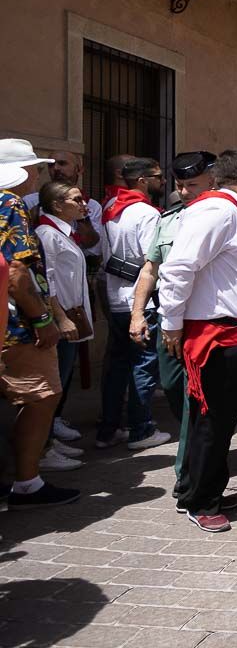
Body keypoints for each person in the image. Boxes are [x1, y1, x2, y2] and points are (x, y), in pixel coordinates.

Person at [159, 149, 237, 533]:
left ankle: (201, 489)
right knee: (212, 422)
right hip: (217, 337)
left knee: (219, 422)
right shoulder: (217, 212)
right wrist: (171, 324)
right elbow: (178, 269)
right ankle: (201, 501)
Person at [129, 152, 216, 493]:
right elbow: (150, 269)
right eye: (180, 185)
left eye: (191, 184)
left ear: (211, 181)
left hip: (204, 322)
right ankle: (200, 442)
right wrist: (137, 313)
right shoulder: (168, 220)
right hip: (169, 319)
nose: (183, 191)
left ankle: (186, 472)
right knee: (171, 384)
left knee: (193, 395)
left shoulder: (223, 217)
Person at [0, 146, 79, 510]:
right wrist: (43, 319)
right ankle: (27, 482)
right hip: (16, 325)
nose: (37, 176)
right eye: (33, 168)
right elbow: (17, 270)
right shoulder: (10, 204)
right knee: (43, 395)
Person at [99, 157, 169, 451]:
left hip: (115, 298)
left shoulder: (110, 207)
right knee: (143, 365)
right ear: (142, 180)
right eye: (158, 176)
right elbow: (151, 260)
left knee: (116, 366)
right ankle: (140, 429)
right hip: (140, 301)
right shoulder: (147, 213)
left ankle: (108, 430)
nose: (162, 181)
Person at [35, 182, 95, 471]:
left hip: (72, 315)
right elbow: (46, 281)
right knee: (52, 385)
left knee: (61, 381)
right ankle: (43, 448)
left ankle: (49, 439)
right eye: (76, 199)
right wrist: (60, 317)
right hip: (62, 319)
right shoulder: (47, 234)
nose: (83, 204)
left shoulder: (63, 232)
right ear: (57, 205)